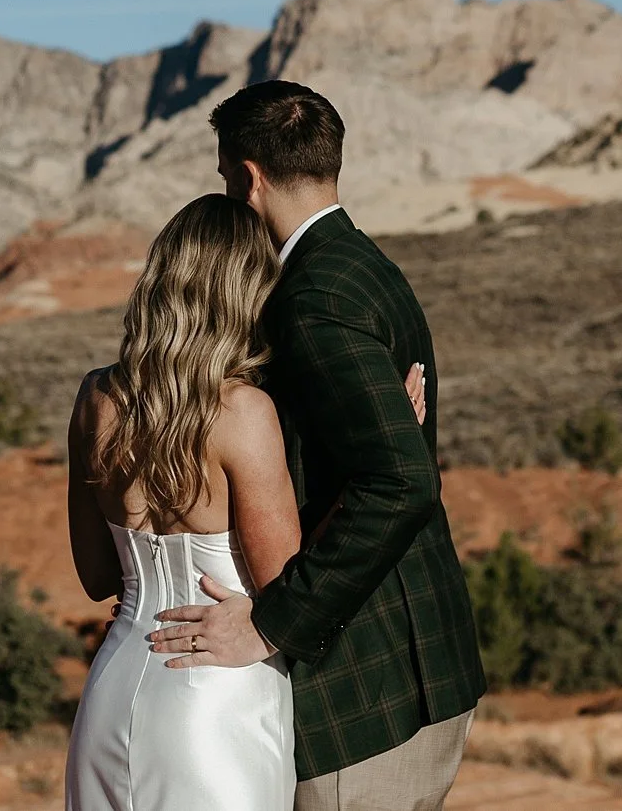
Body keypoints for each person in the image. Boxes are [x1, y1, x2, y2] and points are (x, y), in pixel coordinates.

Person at [146, 81, 486, 811]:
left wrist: (272, 624)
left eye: (225, 177)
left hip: (365, 691)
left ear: (249, 178)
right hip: (421, 658)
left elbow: (400, 482)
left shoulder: (312, 299)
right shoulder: (362, 265)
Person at [63, 193, 301, 811]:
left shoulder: (95, 398)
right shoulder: (243, 412)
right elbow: (286, 585)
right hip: (216, 698)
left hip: (113, 688)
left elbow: (96, 576)